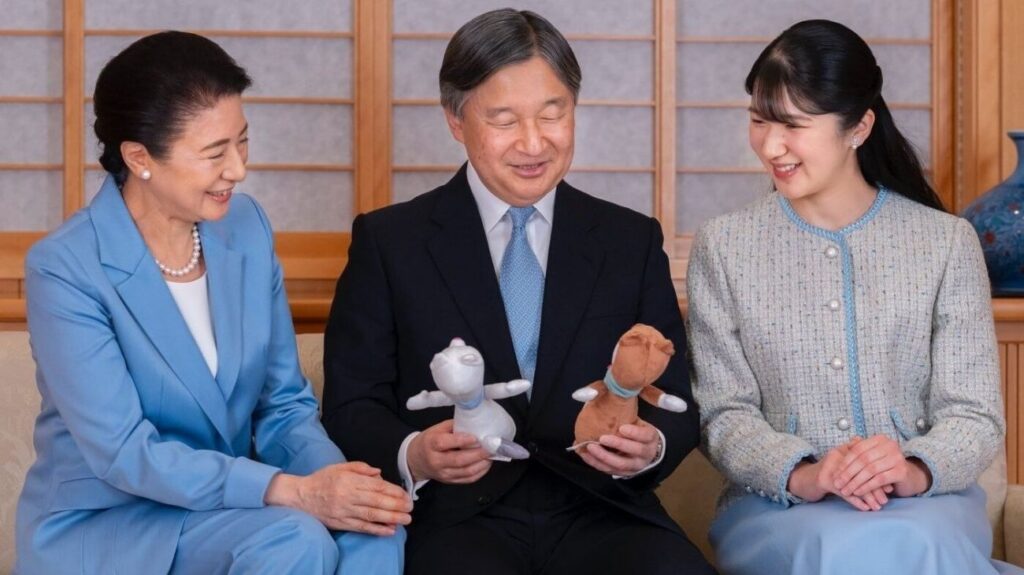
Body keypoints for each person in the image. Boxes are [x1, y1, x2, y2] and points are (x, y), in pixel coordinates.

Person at [321, 8, 715, 575]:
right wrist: (416, 455)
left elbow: (676, 396)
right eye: (504, 119)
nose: (534, 143)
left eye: (553, 115)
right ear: (456, 120)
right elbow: (353, 403)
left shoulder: (629, 239)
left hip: (604, 510)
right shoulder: (390, 241)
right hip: (456, 519)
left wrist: (649, 446)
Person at [14, 31, 411, 575]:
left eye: (242, 142)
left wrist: (338, 487)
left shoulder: (245, 229)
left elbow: (284, 404)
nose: (238, 169)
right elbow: (126, 453)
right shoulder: (65, 267)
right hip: (115, 521)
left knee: (374, 533)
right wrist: (291, 493)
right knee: (294, 539)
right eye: (214, 153)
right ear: (139, 157)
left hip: (229, 510)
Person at [686, 19, 1020, 574]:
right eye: (758, 120)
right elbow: (721, 413)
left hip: (925, 507)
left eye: (793, 125)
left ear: (859, 127)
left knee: (911, 546)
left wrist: (911, 467)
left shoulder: (944, 242)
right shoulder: (724, 247)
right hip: (778, 511)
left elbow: (975, 414)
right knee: (839, 552)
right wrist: (805, 473)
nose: (772, 145)